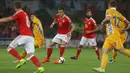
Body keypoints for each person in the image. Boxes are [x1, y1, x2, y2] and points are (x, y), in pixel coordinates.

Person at [0, 1, 44, 73]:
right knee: (30, 54)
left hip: (24, 35)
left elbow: (9, 19)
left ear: (15, 7)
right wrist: (16, 28)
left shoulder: (19, 13)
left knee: (9, 48)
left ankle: (21, 60)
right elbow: (24, 25)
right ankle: (40, 67)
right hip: (30, 37)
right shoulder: (25, 13)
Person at [93, 0, 130, 73]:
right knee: (104, 51)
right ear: (116, 6)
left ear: (109, 5)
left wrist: (102, 23)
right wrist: (124, 29)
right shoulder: (119, 14)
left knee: (121, 51)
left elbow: (108, 19)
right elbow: (128, 23)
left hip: (113, 35)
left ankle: (102, 68)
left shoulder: (108, 10)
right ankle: (102, 68)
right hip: (111, 36)